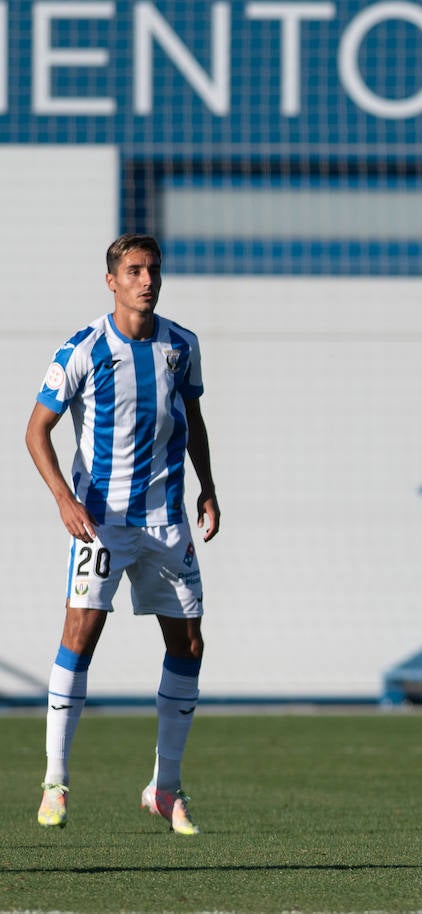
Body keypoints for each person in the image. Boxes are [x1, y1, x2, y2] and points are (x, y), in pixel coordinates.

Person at [26, 233, 220, 836]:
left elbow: (193, 420)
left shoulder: (180, 345)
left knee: (188, 645)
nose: (146, 279)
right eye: (134, 270)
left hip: (166, 521)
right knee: (80, 635)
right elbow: (37, 431)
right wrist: (63, 499)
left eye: (153, 270)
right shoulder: (83, 348)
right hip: (101, 522)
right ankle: (55, 781)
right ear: (111, 280)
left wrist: (207, 486)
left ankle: (165, 789)